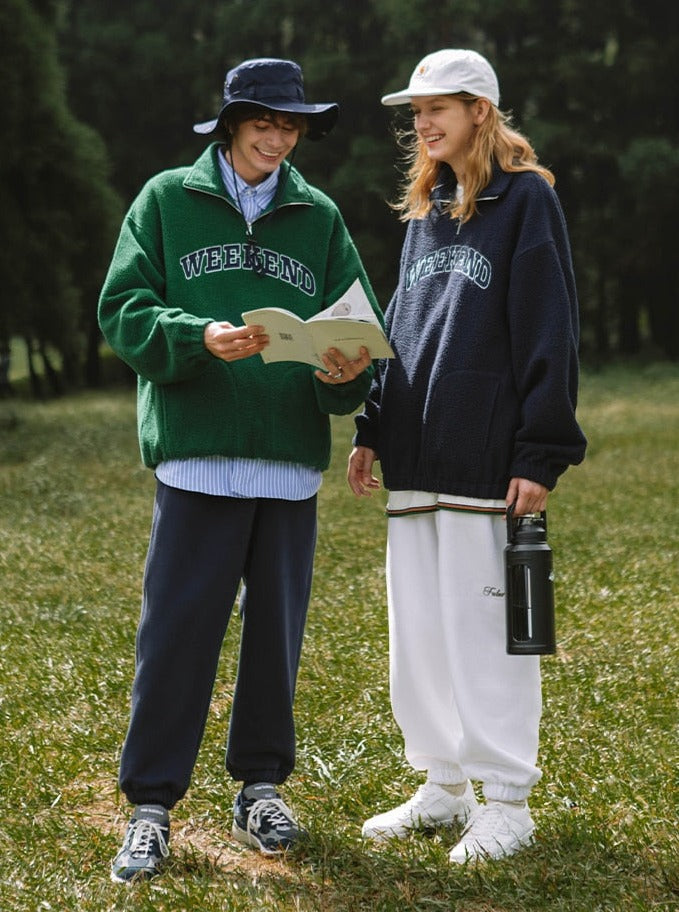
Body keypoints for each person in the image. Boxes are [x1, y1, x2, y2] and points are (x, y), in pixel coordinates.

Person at [99, 57, 380, 882]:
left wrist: (345, 373)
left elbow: (358, 328)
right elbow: (123, 308)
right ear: (230, 123)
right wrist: (196, 336)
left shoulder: (318, 216)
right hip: (195, 463)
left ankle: (260, 788)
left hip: (288, 470)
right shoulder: (164, 201)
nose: (277, 135)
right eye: (263, 120)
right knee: (176, 636)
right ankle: (150, 806)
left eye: (291, 124)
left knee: (274, 640)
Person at [348, 49, 586, 863]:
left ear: (480, 110)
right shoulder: (427, 208)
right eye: (413, 110)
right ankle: (444, 786)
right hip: (416, 455)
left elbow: (549, 328)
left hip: (487, 457)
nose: (420, 121)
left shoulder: (525, 201)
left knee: (484, 631)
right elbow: (400, 330)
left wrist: (539, 451)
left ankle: (507, 799)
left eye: (436, 106)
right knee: (418, 633)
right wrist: (373, 425)